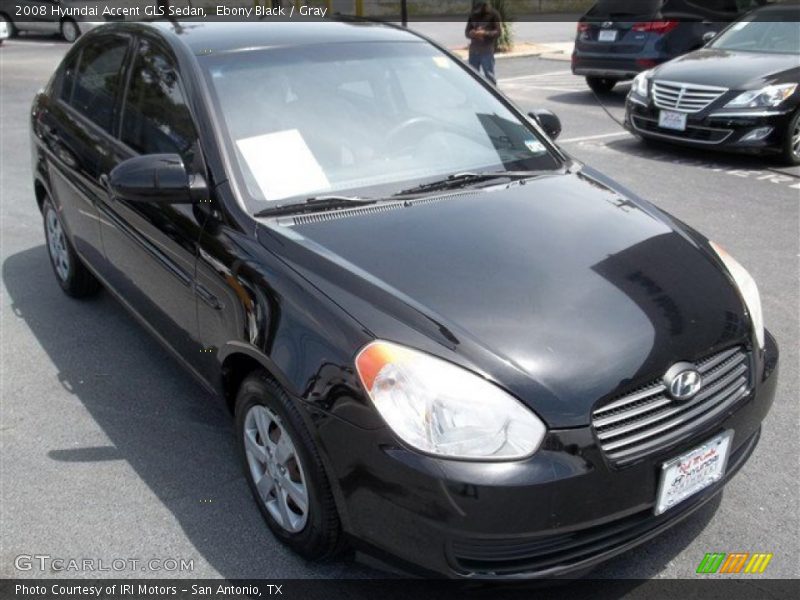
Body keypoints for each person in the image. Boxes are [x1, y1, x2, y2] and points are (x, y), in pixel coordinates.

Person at [465, 1, 502, 85]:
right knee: (473, 76)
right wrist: (472, 33)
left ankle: (492, 95)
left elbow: (498, 32)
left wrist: (484, 33)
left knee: (489, 76)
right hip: (474, 51)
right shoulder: (473, 15)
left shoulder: (494, 14)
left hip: (486, 51)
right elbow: (467, 32)